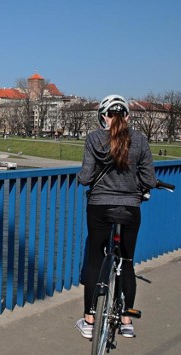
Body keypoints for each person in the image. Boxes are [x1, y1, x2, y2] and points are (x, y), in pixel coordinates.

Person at [75, 94, 157, 339]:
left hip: (100, 207)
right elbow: (149, 179)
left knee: (94, 262)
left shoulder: (93, 139)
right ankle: (126, 321)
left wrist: (81, 179)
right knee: (127, 263)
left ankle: (89, 319)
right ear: (128, 117)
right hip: (130, 208)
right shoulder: (140, 140)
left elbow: (87, 177)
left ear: (103, 117)